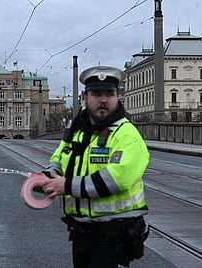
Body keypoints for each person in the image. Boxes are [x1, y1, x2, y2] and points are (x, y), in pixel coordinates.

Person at [37, 66, 150, 267]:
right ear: (85, 96)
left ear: (117, 97)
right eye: (97, 94)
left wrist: (66, 186)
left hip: (116, 232)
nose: (103, 100)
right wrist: (47, 177)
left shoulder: (126, 134)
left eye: (109, 94)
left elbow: (118, 178)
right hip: (82, 230)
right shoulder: (78, 131)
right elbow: (60, 161)